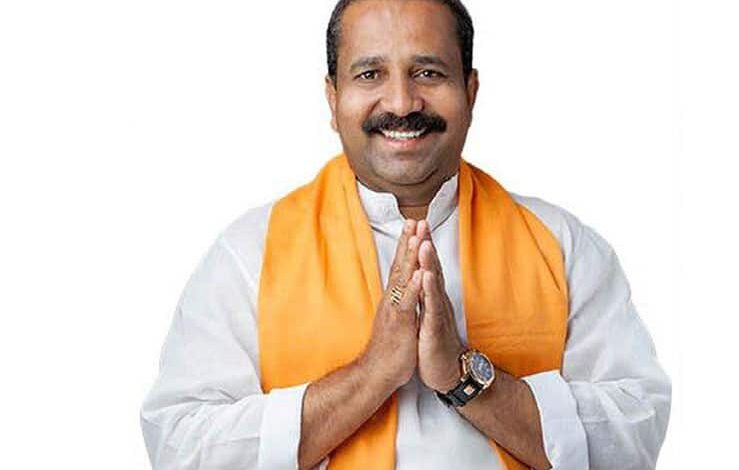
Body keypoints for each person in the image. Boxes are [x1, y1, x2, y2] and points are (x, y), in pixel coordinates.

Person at [140, 0, 672, 468]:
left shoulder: (562, 246)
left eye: (428, 72)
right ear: (332, 98)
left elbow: (635, 434)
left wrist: (464, 378)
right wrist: (372, 375)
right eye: (370, 74)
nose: (401, 102)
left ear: (471, 91)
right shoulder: (249, 255)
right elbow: (181, 446)